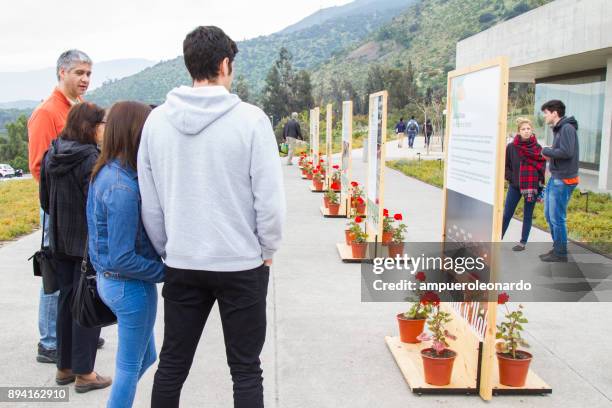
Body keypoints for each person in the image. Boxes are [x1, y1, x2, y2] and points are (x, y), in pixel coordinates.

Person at [138, 26, 286, 408]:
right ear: (225, 64)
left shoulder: (156, 122)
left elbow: (150, 204)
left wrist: (168, 248)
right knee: (245, 369)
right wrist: (267, 247)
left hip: (183, 260)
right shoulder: (252, 120)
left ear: (190, 65)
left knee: (172, 364)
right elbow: (268, 200)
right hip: (241, 263)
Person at [27, 49, 104, 364]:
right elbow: (38, 166)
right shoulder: (47, 113)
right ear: (62, 73)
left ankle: (78, 330)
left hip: (82, 205)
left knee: (79, 273)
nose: (85, 79)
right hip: (59, 208)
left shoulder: (82, 108)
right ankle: (50, 341)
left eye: (88, 73)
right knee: (57, 274)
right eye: (79, 73)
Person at [87, 101, 164, 407]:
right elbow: (122, 257)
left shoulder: (107, 172)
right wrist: (169, 272)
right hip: (129, 286)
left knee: (146, 356)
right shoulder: (122, 187)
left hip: (115, 282)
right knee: (128, 369)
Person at [39, 102, 112, 392]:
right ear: (91, 126)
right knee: (87, 305)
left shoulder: (52, 153)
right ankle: (85, 373)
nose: (105, 130)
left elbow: (44, 200)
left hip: (59, 242)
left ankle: (64, 367)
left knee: (66, 302)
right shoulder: (90, 158)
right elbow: (96, 206)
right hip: (85, 244)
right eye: (102, 124)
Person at [539, 100, 579, 262]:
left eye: (546, 113)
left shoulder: (567, 128)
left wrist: (546, 150)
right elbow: (561, 151)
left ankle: (560, 253)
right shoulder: (560, 129)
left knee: (557, 217)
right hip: (556, 178)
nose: (544, 116)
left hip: (564, 180)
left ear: (554, 113)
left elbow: (566, 152)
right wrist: (551, 151)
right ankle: (557, 248)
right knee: (549, 215)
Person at [501, 118, 545, 251]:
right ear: (518, 131)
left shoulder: (538, 149)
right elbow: (505, 166)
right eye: (523, 129)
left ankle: (523, 242)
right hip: (515, 186)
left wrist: (539, 185)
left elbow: (542, 168)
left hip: (531, 187)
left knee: (527, 215)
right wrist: (513, 179)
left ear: (532, 130)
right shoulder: (511, 147)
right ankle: (497, 238)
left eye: (528, 129)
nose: (526, 131)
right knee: (507, 214)